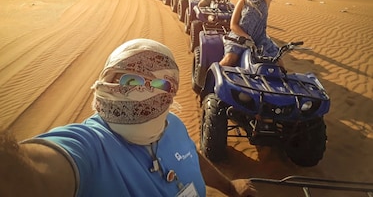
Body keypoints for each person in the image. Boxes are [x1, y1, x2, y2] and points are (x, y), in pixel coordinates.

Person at [0, 38, 257, 197]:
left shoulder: (174, 126)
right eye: (127, 79)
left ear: (172, 92)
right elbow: (29, 177)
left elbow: (191, 155)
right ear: (103, 80)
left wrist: (229, 187)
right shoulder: (88, 148)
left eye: (157, 83)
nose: (139, 91)